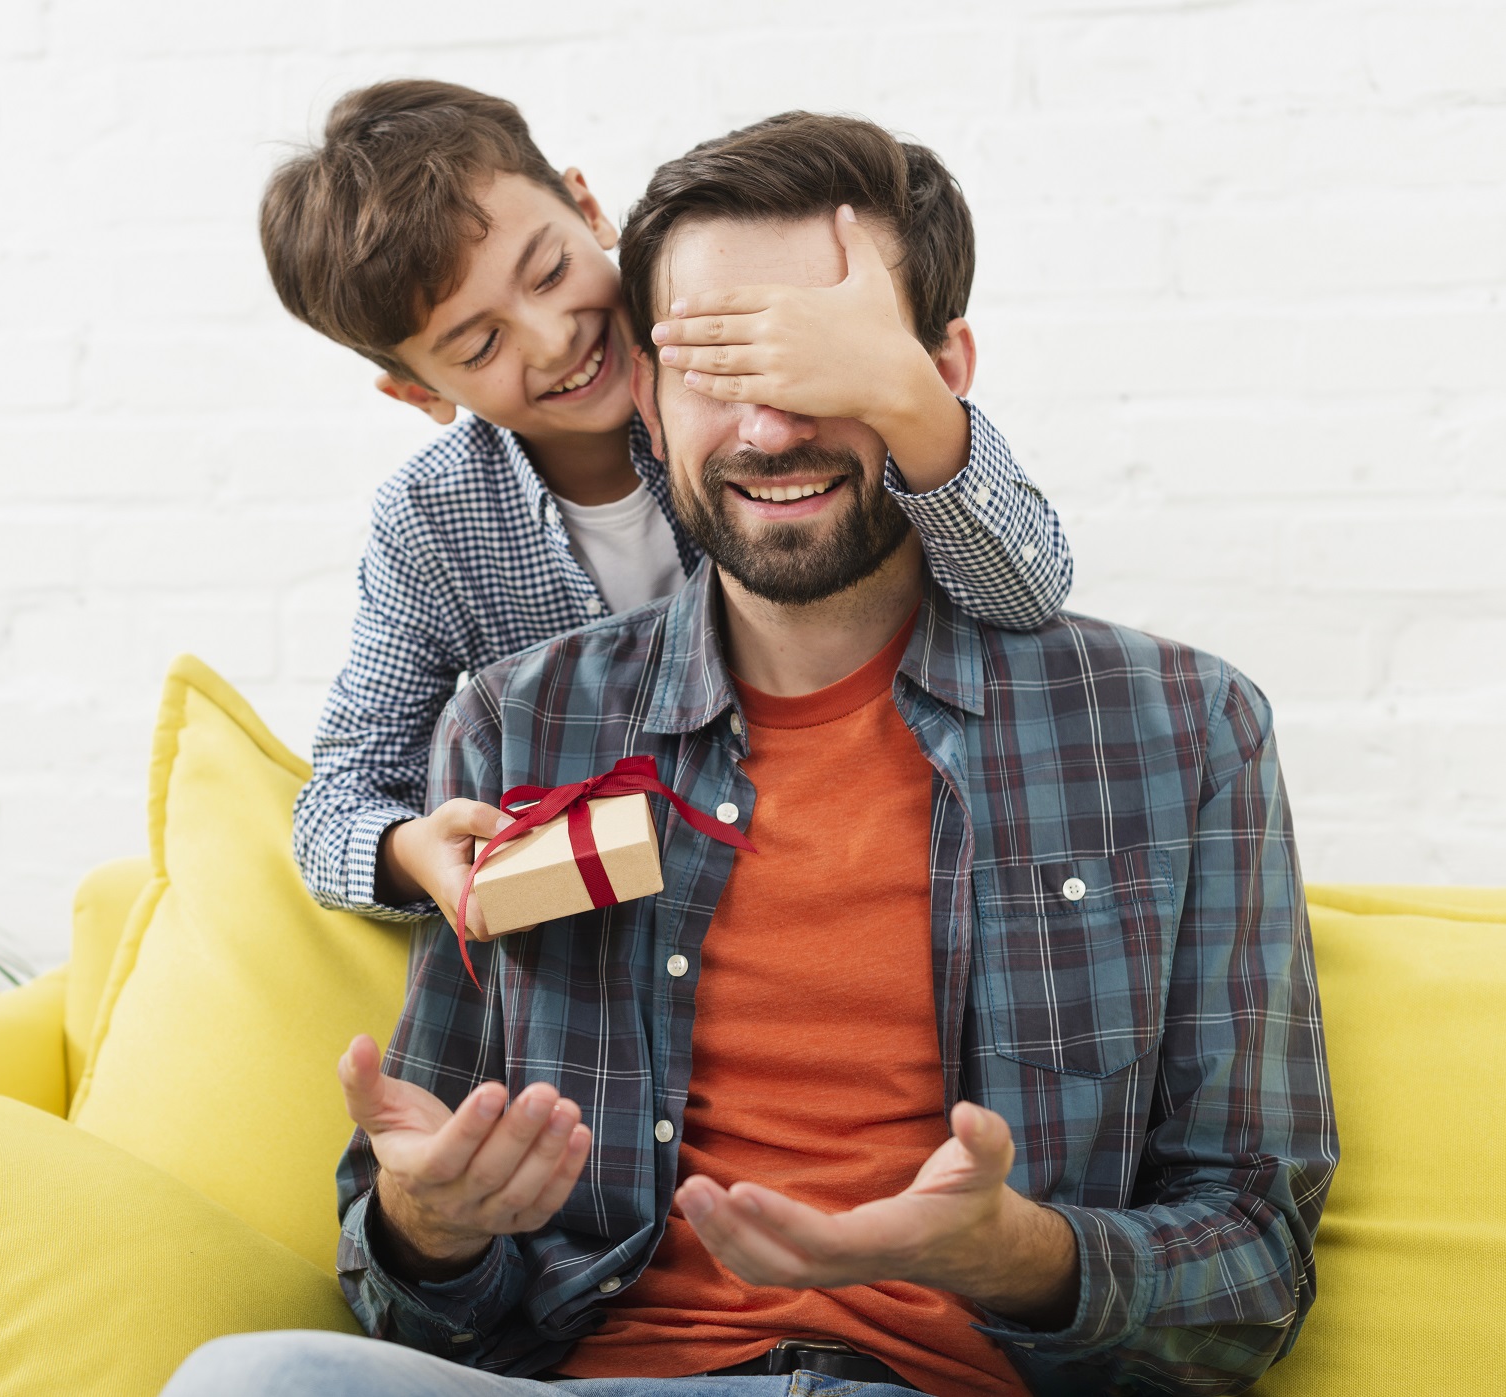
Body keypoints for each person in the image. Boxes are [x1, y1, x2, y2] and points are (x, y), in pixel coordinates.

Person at [169, 112, 1335, 1396]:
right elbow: (428, 1307)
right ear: (651, 408)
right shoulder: (513, 726)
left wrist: (1022, 1255)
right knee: (251, 1377)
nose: (770, 426)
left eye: (821, 364)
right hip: (613, 1374)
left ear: (941, 370)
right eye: (716, 366)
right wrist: (430, 1227)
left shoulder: (1176, 729)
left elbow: (1250, 1268)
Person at [263, 81, 1074, 938]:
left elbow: (1026, 591)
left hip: (868, 838)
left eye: (547, 271)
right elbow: (340, 795)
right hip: (650, 925)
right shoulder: (433, 521)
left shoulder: (772, 405)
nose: (553, 336)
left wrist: (907, 393)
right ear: (418, 390)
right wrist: (407, 851)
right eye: (480, 343)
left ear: (585, 207)